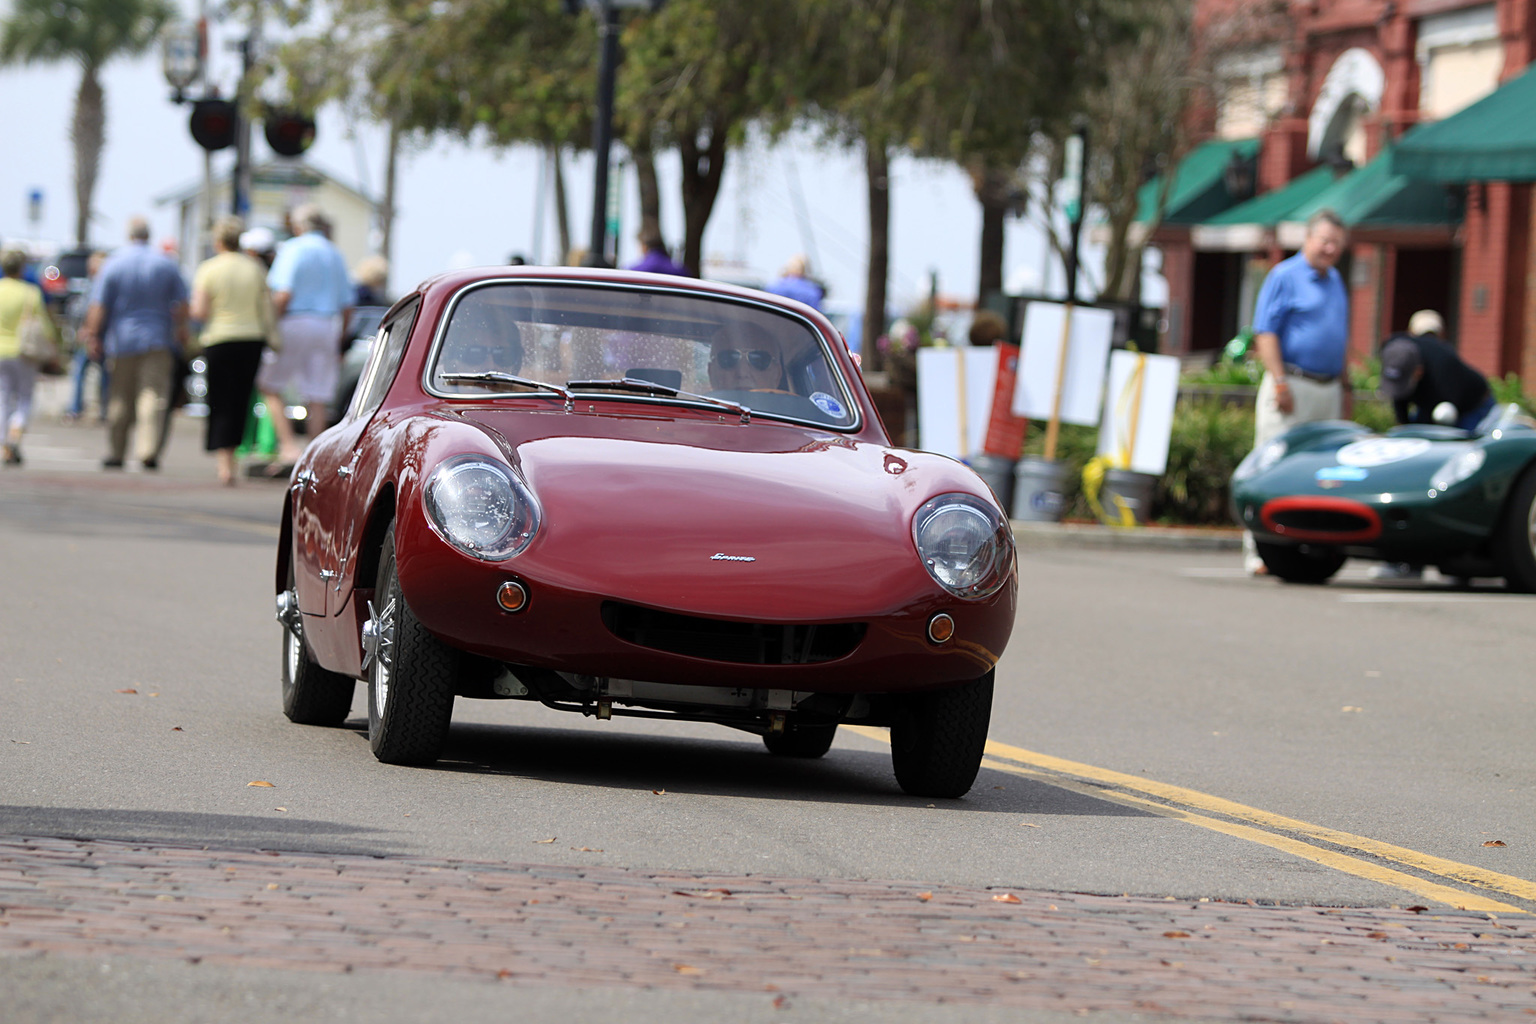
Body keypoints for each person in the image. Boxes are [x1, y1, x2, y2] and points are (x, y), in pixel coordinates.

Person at [1244, 208, 1351, 575]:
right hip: (1291, 383)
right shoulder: (1284, 276)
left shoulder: (1336, 280)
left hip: (1327, 388)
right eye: (1324, 240)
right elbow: (1265, 332)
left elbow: (1339, 336)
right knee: (1272, 463)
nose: (1330, 248)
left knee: (1322, 470)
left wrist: (1345, 388)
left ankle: (1310, 545)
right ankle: (1259, 550)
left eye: (1337, 243)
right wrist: (1278, 381)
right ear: (1308, 239)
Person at [80, 216, 189, 471]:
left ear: (129, 235)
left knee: (119, 396)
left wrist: (93, 335)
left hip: (121, 339)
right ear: (148, 235)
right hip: (158, 338)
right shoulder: (166, 263)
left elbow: (99, 305)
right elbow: (183, 303)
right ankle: (147, 451)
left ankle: (116, 452)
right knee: (153, 395)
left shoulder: (114, 264)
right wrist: (181, 329)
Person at [257, 203, 353, 469]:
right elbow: (347, 305)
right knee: (317, 394)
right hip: (327, 324)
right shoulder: (335, 253)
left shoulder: (292, 248)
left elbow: (283, 293)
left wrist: (270, 325)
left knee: (270, 385)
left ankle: (288, 446)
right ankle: (315, 452)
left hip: (295, 321)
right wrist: (340, 339)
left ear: (298, 226)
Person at [190, 216, 279, 486]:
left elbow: (199, 311)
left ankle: (224, 464)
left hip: (219, 338)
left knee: (219, 400)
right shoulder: (255, 269)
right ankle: (235, 459)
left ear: (218, 241)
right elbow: (267, 310)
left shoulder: (209, 269)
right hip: (251, 339)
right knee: (242, 400)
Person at [1378, 310, 1493, 431]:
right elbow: (1399, 395)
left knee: (1459, 443)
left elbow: (1445, 417)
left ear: (1418, 372)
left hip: (1470, 406)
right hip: (1432, 401)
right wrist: (1403, 425)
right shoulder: (1396, 351)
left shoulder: (1442, 370)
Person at [0, 248, 59, 466]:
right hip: (25, 351)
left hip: (1, 352)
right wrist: (54, 350)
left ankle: (4, 443)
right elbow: (45, 326)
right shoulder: (30, 293)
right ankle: (15, 436)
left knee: (3, 398)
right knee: (24, 397)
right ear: (22, 268)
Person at [63, 250, 109, 424]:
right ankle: (95, 408)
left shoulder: (98, 285)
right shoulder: (93, 284)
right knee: (92, 373)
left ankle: (79, 409)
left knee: (87, 372)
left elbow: (89, 310)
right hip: (94, 333)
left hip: (95, 334)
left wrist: (90, 333)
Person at [707, 322, 786, 392]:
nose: (742, 373)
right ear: (711, 372)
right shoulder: (697, 407)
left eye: (758, 361)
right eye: (728, 359)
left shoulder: (794, 408)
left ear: (777, 375)